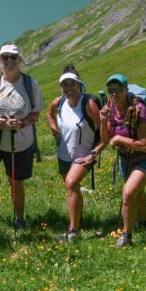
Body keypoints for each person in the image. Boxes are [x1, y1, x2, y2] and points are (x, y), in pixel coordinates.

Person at [0, 44, 43, 231]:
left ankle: (19, 219)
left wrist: (21, 124)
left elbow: (35, 114)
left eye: (13, 58)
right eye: (5, 58)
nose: (9, 61)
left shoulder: (30, 84)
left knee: (16, 181)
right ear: (0, 61)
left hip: (19, 143)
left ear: (19, 60)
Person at [100, 73, 146, 247]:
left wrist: (119, 140)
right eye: (111, 90)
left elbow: (144, 144)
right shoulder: (110, 110)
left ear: (126, 90)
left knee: (128, 194)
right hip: (126, 160)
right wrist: (103, 122)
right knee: (137, 192)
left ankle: (126, 236)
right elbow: (106, 140)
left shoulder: (139, 110)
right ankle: (142, 222)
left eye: (118, 90)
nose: (114, 94)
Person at [46, 65, 104, 242]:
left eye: (73, 84)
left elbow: (105, 131)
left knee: (71, 184)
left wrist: (94, 153)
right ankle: (77, 220)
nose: (69, 88)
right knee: (72, 188)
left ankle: (73, 232)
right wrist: (55, 130)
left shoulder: (89, 104)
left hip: (84, 154)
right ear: (61, 86)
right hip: (64, 154)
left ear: (79, 85)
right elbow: (49, 114)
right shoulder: (59, 102)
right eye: (65, 85)